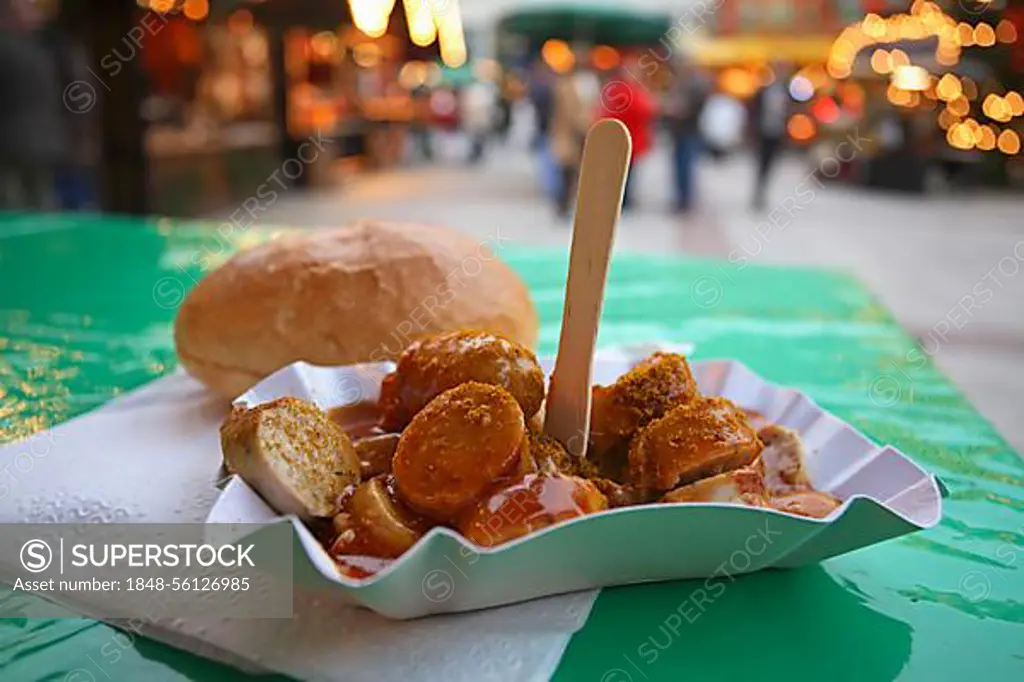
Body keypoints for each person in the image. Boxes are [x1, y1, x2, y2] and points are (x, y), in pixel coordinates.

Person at [599, 65, 657, 210]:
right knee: (625, 172)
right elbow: (645, 109)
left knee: (624, 172)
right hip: (627, 138)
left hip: (625, 138)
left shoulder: (619, 88)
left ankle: (623, 199)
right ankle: (623, 200)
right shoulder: (627, 90)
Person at [664, 64, 710, 214]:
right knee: (680, 166)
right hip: (680, 132)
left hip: (689, 131)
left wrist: (681, 111)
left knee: (686, 166)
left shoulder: (695, 86)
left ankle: (685, 200)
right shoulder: (680, 84)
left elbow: (695, 107)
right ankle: (682, 198)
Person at [549, 66, 590, 217]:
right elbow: (572, 114)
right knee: (566, 172)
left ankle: (564, 203)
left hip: (569, 137)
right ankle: (563, 203)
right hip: (567, 136)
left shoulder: (566, 87)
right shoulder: (566, 88)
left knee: (568, 173)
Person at [749, 64, 791, 210]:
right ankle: (758, 190)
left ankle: (763, 189)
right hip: (763, 132)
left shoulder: (788, 91)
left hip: (777, 132)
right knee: (761, 162)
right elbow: (753, 111)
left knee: (771, 163)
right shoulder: (763, 91)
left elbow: (790, 112)